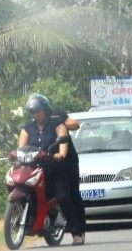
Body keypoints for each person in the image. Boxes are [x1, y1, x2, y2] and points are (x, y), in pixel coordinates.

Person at [18, 94, 86, 245]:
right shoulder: (28, 127)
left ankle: (78, 231)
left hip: (60, 167)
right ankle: (31, 223)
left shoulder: (57, 120)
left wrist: (60, 154)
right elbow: (21, 148)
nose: (36, 114)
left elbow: (65, 137)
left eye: (39, 111)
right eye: (33, 112)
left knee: (66, 197)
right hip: (36, 169)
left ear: (46, 109)